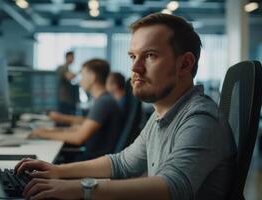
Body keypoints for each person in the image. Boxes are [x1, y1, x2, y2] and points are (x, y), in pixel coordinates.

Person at [15, 13, 237, 200]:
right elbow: (121, 163)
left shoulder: (201, 118)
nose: (135, 68)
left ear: (185, 64)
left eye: (150, 55)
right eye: (133, 56)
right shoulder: (163, 114)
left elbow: (171, 187)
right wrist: (57, 171)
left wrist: (79, 188)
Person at [30, 59, 123, 160]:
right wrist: (55, 130)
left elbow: (78, 138)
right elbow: (83, 126)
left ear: (92, 77)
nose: (80, 80)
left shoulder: (104, 102)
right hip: (93, 158)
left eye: (82, 75)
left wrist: (41, 133)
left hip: (92, 162)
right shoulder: (103, 99)